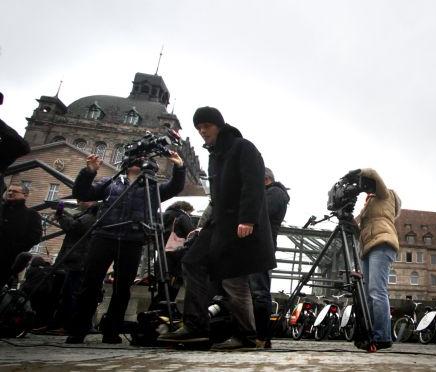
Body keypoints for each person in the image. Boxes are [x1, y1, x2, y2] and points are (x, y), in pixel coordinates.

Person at [160, 106, 275, 350]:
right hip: (220, 225)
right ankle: (197, 326)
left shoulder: (242, 147)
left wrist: (248, 219)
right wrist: (204, 226)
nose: (202, 131)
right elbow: (218, 198)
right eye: (199, 128)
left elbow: (253, 184)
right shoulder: (214, 155)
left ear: (219, 126)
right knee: (193, 261)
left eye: (207, 126)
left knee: (234, 282)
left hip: (239, 225)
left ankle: (246, 334)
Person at [65, 152, 185, 344]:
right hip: (104, 236)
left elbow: (175, 187)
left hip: (132, 239)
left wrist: (179, 168)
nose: (138, 161)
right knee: (90, 284)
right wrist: (89, 172)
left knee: (123, 288)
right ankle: (78, 329)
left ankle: (112, 331)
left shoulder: (151, 187)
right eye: (135, 159)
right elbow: (82, 193)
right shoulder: (110, 182)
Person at [353, 168, 401, 350]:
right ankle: (371, 334)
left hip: (382, 244)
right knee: (367, 295)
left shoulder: (385, 195)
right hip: (368, 248)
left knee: (376, 291)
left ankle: (382, 336)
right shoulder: (368, 207)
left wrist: (358, 173)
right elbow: (362, 232)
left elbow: (373, 173)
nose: (366, 193)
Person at [249, 167, 289, 348]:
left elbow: (259, 214)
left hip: (260, 247)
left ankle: (262, 336)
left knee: (259, 292)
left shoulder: (275, 193)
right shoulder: (272, 193)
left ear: (265, 180)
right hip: (258, 247)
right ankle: (259, 336)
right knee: (256, 291)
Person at [45, 201, 99, 333]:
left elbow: (73, 227)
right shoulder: (88, 216)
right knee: (67, 294)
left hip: (78, 261)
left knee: (71, 294)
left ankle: (67, 325)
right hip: (76, 260)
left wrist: (61, 216)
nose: (80, 201)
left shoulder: (90, 217)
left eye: (84, 199)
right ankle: (59, 324)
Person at [0, 184, 43, 287]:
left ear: (25, 195)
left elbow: (35, 237)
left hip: (7, 261)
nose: (10, 193)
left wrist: (15, 249)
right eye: (9, 191)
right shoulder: (1, 210)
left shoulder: (31, 215)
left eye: (14, 191)